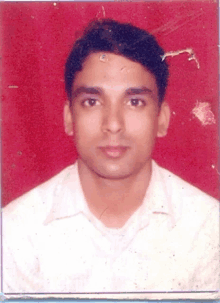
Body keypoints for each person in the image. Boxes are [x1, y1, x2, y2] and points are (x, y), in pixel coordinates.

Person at [3, 19, 219, 296]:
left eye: (135, 102)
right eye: (92, 102)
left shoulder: (208, 228)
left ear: (162, 119)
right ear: (69, 118)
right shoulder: (15, 232)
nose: (114, 124)